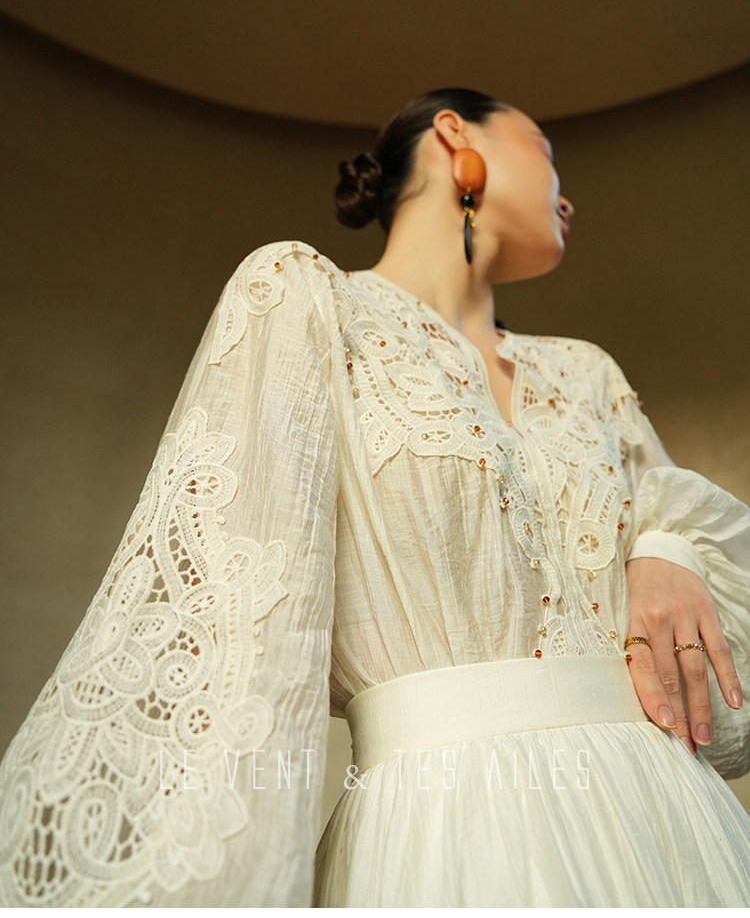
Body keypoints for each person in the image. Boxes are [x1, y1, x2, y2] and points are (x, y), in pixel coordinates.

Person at [0, 88, 748, 907]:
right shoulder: (308, 300)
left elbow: (714, 660)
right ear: (454, 135)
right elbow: (237, 629)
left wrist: (667, 550)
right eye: (547, 154)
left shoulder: (587, 372)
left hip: (669, 812)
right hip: (444, 821)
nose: (567, 197)